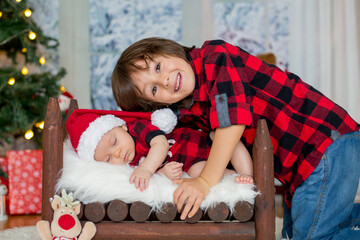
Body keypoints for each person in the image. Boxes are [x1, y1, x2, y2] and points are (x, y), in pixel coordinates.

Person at [111, 37, 360, 239]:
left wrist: (205, 181)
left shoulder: (215, 57)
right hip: (297, 168)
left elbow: (231, 122)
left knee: (314, 237)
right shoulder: (188, 109)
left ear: (168, 49)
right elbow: (175, 143)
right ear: (156, 106)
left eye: (157, 67)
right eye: (154, 90)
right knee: (292, 233)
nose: (163, 80)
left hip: (323, 141)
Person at [66, 108, 253, 192]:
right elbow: (154, 177)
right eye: (107, 159)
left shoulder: (139, 129)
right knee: (197, 171)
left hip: (204, 142)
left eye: (114, 141)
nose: (116, 153)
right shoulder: (129, 164)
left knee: (226, 139)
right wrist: (161, 172)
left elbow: (161, 145)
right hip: (195, 162)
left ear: (122, 126)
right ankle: (237, 177)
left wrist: (146, 169)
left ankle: (249, 174)